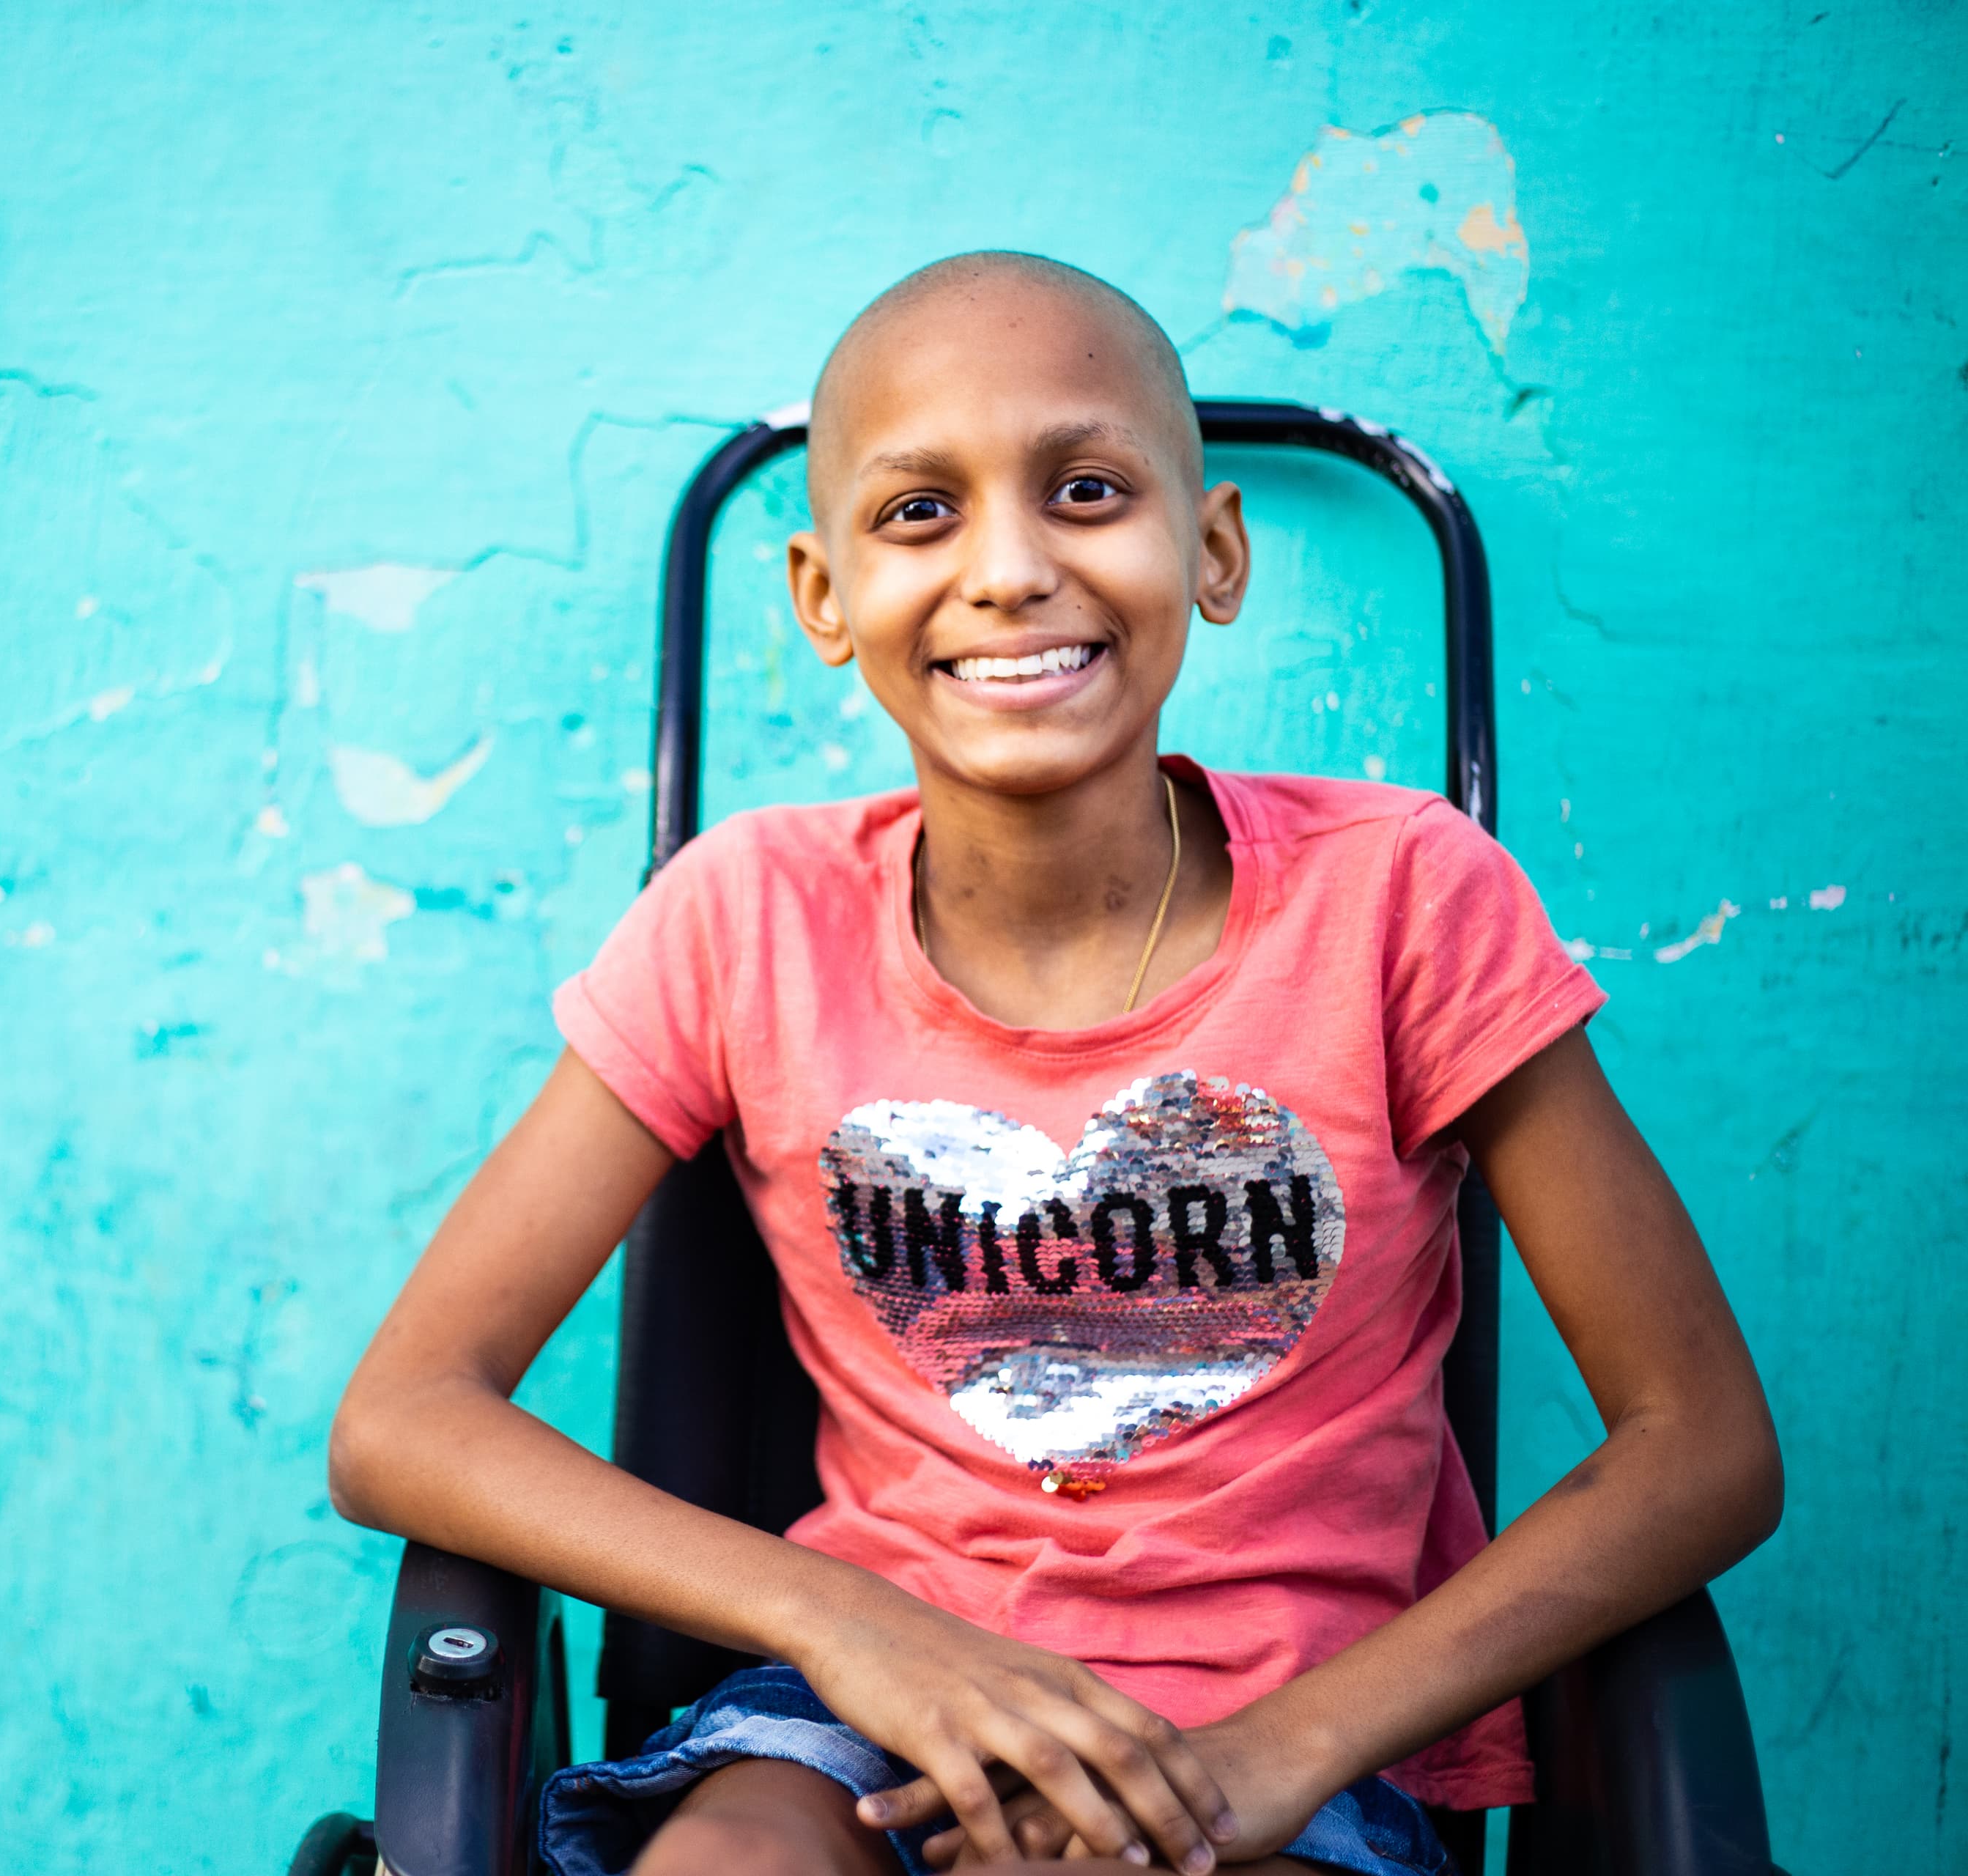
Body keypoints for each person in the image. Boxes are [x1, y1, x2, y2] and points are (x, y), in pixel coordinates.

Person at [326, 251, 1780, 1875]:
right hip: (854, 1712)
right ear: (823, 597)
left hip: (1287, 1744)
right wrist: (845, 1618)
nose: (1010, 569)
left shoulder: (1401, 900)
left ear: (1211, 549)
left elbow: (1702, 1440)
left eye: (1086, 489)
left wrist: (1278, 1753)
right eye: (918, 513)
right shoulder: (744, 917)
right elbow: (402, 1418)